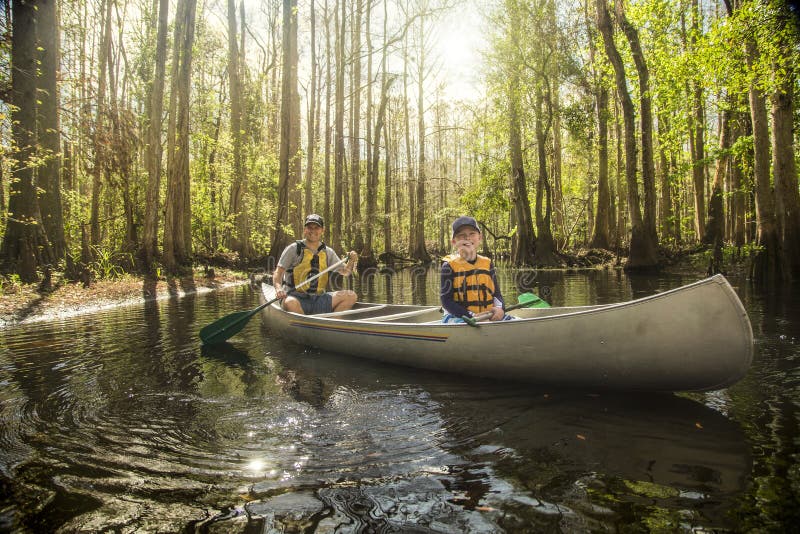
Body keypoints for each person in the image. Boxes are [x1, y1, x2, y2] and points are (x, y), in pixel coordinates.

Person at [273, 214, 358, 314]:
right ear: (305, 230)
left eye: (317, 227)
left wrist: (351, 261)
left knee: (351, 296)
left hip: (319, 298)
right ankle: (305, 326)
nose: (313, 231)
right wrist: (278, 289)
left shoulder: (327, 252)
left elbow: (345, 272)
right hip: (295, 297)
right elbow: (278, 273)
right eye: (310, 227)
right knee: (290, 303)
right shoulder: (294, 249)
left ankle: (331, 325)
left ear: (322, 230)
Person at [440, 215, 510, 324]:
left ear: (480, 237)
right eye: (461, 235)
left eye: (472, 234)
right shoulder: (448, 266)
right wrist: (472, 315)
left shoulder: (487, 263)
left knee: (512, 320)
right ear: (454, 242)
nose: (467, 238)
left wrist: (500, 309)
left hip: (488, 315)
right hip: (459, 316)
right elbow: (446, 302)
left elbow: (496, 294)